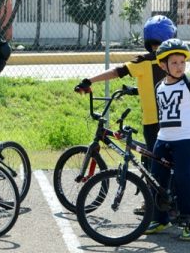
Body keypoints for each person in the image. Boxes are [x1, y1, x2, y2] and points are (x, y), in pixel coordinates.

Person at [74, 15, 177, 167]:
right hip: (173, 118)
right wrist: (136, 90)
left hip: (153, 121)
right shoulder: (174, 61)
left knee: (157, 166)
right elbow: (159, 85)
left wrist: (89, 81)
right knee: (163, 162)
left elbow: (117, 72)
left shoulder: (144, 61)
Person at [144, 38, 190, 241]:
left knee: (183, 175)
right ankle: (160, 218)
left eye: (182, 62)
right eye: (174, 63)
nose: (179, 66)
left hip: (188, 139)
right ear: (162, 65)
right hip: (164, 138)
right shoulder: (159, 87)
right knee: (156, 178)